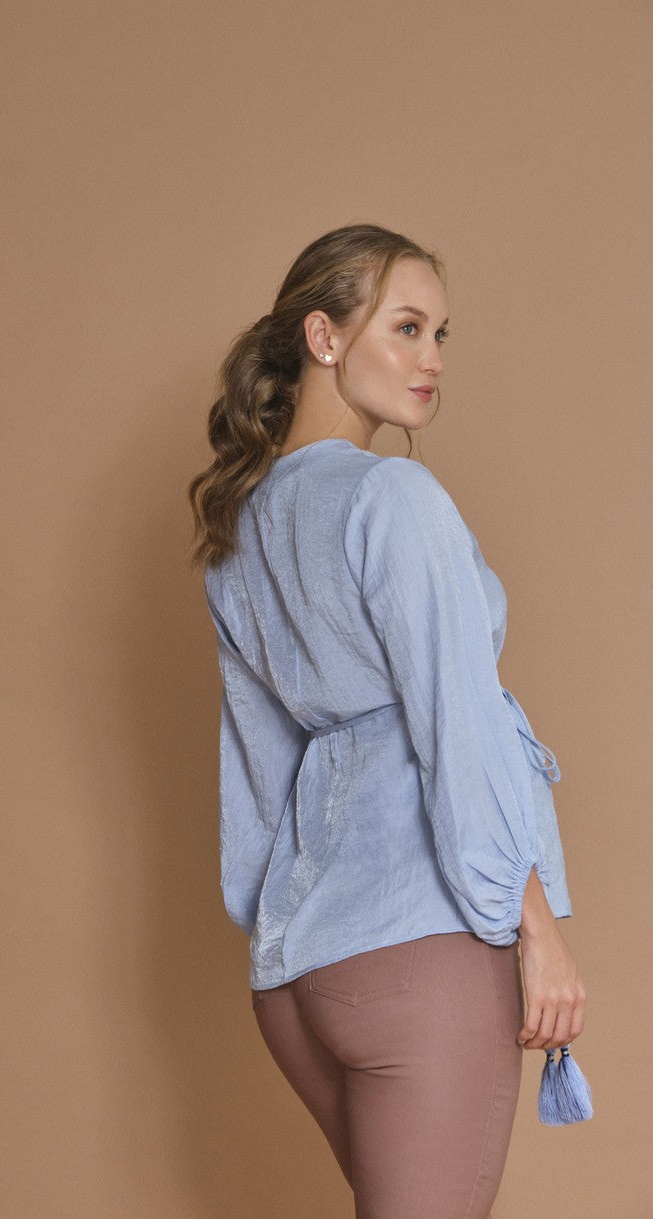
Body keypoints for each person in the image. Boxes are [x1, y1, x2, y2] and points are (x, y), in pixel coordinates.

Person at [187, 223, 586, 1218]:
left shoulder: (238, 532)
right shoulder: (392, 495)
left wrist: (277, 933)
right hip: (421, 954)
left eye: (440, 333)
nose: (431, 358)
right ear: (322, 336)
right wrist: (533, 928)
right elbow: (458, 724)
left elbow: (257, 768)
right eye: (405, 327)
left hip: (298, 976)